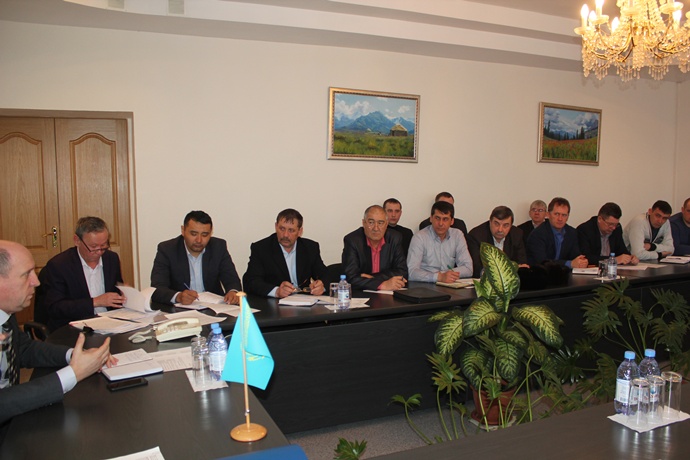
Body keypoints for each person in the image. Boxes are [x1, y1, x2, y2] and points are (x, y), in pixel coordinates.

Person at [0, 240, 115, 440]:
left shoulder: (6, 314)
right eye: (26, 274)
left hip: (15, 423)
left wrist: (74, 355)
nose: (36, 282)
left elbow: (23, 348)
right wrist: (73, 373)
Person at [37, 217, 125, 332]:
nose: (99, 252)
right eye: (93, 247)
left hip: (109, 324)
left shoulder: (111, 259)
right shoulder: (59, 265)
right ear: (77, 240)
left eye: (104, 245)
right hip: (73, 327)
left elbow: (115, 291)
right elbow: (55, 307)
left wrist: (124, 293)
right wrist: (95, 302)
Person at [150, 210, 242, 306]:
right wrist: (178, 296)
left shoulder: (218, 247)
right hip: (180, 309)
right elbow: (157, 288)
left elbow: (232, 279)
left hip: (213, 307)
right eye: (193, 234)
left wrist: (233, 292)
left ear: (210, 233)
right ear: (183, 230)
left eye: (204, 235)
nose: (199, 240)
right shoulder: (167, 249)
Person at [243, 209, 329, 298]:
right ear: (276, 226)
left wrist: (322, 286)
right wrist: (276, 291)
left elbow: (325, 275)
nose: (285, 235)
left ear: (300, 231)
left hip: (305, 301)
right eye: (282, 229)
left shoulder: (310, 247)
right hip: (274, 303)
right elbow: (250, 282)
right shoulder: (261, 248)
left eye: (291, 230)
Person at [342, 205, 408, 291]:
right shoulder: (352, 240)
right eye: (371, 222)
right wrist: (382, 285)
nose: (376, 228)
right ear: (364, 223)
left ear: (386, 224)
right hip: (362, 294)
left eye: (380, 223)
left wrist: (373, 278)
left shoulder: (395, 238)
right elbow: (350, 278)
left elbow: (402, 272)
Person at [408, 201, 473, 282]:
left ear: (452, 221)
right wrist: (438, 277)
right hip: (425, 284)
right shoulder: (419, 237)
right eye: (437, 218)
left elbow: (468, 268)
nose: (441, 223)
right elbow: (412, 272)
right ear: (431, 218)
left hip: (448, 283)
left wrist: (445, 275)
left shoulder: (457, 235)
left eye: (445, 219)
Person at [526, 197, 588, 268]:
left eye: (564, 215)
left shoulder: (572, 232)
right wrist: (569, 263)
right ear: (548, 215)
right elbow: (543, 262)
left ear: (567, 217)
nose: (560, 219)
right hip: (541, 273)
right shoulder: (537, 234)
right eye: (557, 214)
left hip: (565, 273)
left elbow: (575, 256)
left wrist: (581, 262)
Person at [468, 206, 528, 278]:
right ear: (490, 222)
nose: (500, 229)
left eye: (505, 225)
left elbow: (522, 263)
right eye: (496, 224)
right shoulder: (476, 236)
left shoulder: (517, 234)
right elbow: (477, 268)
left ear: (511, 226)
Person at [577, 202, 638, 266]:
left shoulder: (617, 229)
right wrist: (613, 260)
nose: (613, 228)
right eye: (610, 224)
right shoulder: (584, 230)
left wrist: (631, 258)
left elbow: (622, 251)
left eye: (616, 224)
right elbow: (586, 258)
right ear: (600, 219)